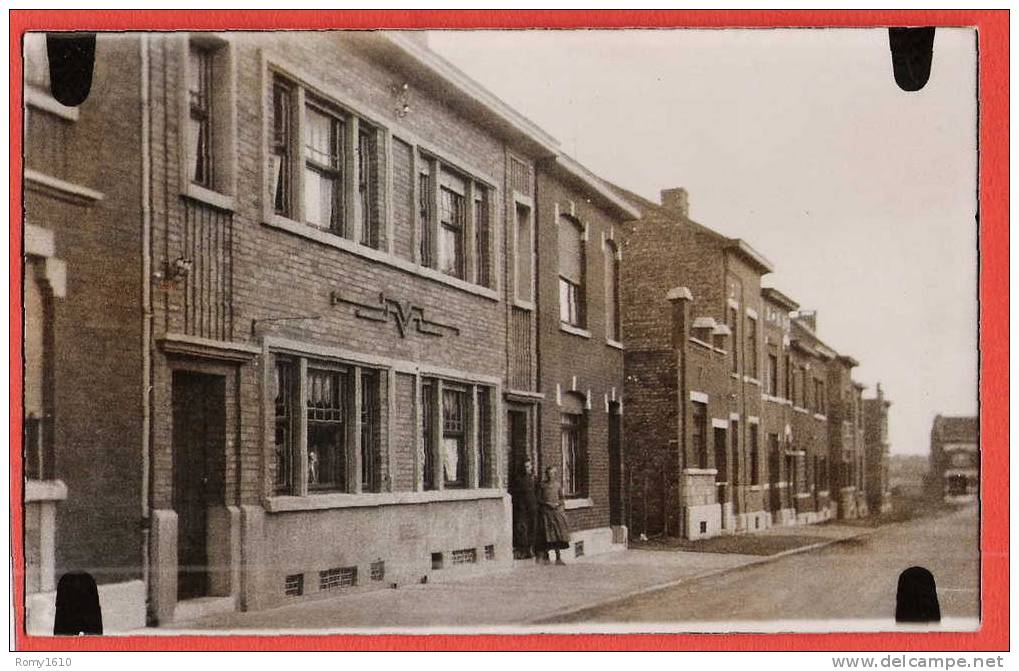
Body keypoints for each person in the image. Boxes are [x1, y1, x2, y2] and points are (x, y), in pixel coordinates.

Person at [535, 465, 571, 565]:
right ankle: (545, 557)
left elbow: (562, 498)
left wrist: (558, 504)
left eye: (552, 474)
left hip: (555, 513)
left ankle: (558, 557)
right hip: (546, 513)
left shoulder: (558, 485)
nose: (550, 476)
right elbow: (538, 499)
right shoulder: (542, 486)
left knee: (556, 535)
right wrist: (546, 503)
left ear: (555, 475)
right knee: (546, 535)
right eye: (548, 474)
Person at [511, 458, 538, 559]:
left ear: (531, 467)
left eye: (528, 466)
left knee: (532, 528)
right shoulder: (518, 480)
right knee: (522, 528)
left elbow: (537, 492)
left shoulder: (534, 479)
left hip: (533, 507)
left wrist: (536, 505)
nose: (527, 469)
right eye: (525, 467)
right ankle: (522, 549)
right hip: (522, 508)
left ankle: (530, 549)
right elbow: (516, 493)